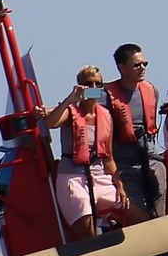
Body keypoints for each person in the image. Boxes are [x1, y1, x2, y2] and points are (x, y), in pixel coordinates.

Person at [38, 66, 129, 240]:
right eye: (88, 84)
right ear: (80, 86)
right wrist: (70, 99)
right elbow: (51, 122)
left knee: (135, 215)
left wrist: (120, 186)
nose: (93, 87)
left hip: (99, 176)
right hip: (73, 178)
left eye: (97, 84)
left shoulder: (106, 116)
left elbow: (108, 157)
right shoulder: (70, 112)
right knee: (89, 234)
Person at [104, 43, 166, 221]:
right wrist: (48, 111)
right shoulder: (103, 93)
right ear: (121, 68)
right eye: (137, 65)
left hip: (152, 162)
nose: (142, 68)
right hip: (125, 167)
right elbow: (79, 96)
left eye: (144, 64)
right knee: (139, 218)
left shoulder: (151, 90)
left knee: (158, 215)